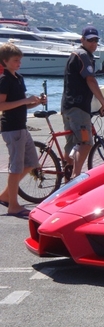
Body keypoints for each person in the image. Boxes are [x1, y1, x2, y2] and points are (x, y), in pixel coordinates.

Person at [0, 43, 47, 218]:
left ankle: (6, 195)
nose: (19, 63)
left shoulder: (18, 78)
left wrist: (35, 102)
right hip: (12, 128)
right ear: (5, 61)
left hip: (21, 127)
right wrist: (25, 100)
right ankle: (13, 205)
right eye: (15, 60)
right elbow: (2, 105)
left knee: (31, 163)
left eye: (20, 60)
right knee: (16, 168)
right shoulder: (5, 80)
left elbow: (21, 105)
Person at [61, 26, 104, 179]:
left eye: (96, 40)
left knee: (71, 145)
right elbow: (90, 80)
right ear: (82, 40)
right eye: (90, 40)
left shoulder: (77, 54)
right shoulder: (83, 55)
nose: (93, 43)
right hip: (78, 107)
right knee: (85, 143)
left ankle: (66, 177)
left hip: (67, 106)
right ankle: (75, 177)